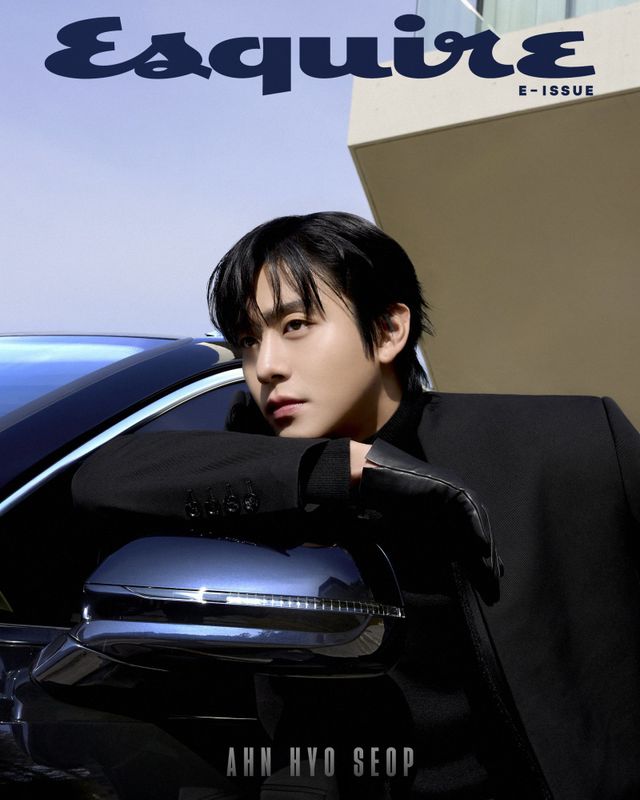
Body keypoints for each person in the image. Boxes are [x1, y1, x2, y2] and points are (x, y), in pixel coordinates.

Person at [72, 212, 640, 800]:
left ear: (389, 330)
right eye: (248, 341)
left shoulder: (573, 443)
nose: (265, 366)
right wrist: (337, 468)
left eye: (295, 325)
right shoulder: (262, 482)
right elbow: (100, 478)